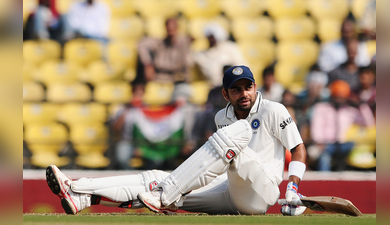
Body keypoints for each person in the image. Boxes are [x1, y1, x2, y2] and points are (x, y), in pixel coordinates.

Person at [46, 66, 308, 216]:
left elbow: (297, 149)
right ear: (225, 93)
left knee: (238, 133)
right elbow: (219, 166)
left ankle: (166, 193)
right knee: (153, 179)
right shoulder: (221, 116)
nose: (244, 94)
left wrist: (293, 188)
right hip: (231, 191)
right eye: (236, 89)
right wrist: (184, 186)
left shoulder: (273, 110)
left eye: (248, 87)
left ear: (254, 87)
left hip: (262, 192)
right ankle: (81, 192)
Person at [309, 80, 375, 171]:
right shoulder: (321, 108)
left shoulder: (350, 111)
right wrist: (319, 142)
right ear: (332, 96)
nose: (339, 100)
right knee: (324, 156)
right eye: (337, 97)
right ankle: (324, 181)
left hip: (346, 144)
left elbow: (369, 124)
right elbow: (316, 127)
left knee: (358, 153)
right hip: (327, 144)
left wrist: (361, 106)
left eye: (341, 97)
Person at [136, 17, 193, 101]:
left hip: (178, 79)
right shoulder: (160, 43)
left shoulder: (184, 43)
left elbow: (188, 64)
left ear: (177, 28)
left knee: (184, 94)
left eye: (173, 28)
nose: (171, 31)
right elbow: (141, 45)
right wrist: (148, 64)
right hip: (160, 78)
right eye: (168, 28)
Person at [194, 23, 247, 87]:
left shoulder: (231, 48)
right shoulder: (201, 56)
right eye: (209, 36)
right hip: (216, 87)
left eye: (212, 36)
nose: (211, 39)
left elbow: (242, 67)